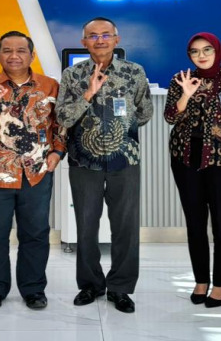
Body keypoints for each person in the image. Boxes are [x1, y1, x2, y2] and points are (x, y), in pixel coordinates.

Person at [0, 31, 66, 310]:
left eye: (21, 50)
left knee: (35, 233)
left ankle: (33, 289)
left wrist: (58, 151)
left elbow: (61, 124)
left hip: (37, 172)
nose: (14, 56)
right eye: (7, 50)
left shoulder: (50, 86)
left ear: (32, 55)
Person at [55, 17, 153, 313]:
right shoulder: (72, 74)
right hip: (83, 161)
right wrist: (88, 94)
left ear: (116, 39)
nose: (100, 40)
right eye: (93, 36)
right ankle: (90, 285)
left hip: (125, 159)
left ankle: (121, 287)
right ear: (84, 42)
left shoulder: (134, 72)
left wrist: (121, 132)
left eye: (105, 35)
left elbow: (145, 112)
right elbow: (63, 117)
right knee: (86, 225)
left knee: (126, 226)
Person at [165, 32, 221, 307]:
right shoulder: (181, 79)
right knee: (195, 224)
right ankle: (201, 280)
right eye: (194, 51)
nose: (201, 55)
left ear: (217, 51)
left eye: (207, 50)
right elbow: (170, 117)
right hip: (185, 160)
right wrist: (186, 95)